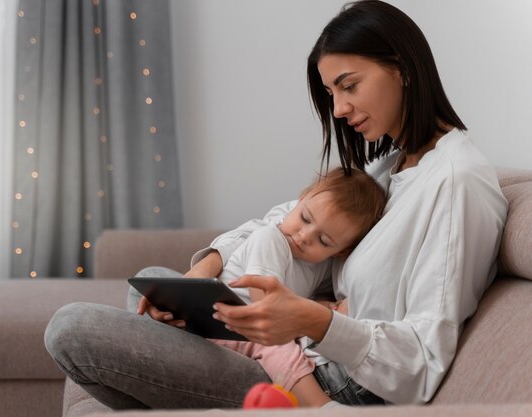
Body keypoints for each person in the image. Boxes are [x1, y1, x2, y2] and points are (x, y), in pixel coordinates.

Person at [44, 0, 508, 409]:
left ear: (403, 67)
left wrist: (316, 320)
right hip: (303, 345)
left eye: (349, 85)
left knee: (72, 329)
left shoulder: (456, 184)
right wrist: (205, 268)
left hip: (332, 385)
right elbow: (279, 222)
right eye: (332, 94)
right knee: (157, 289)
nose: (340, 110)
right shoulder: (388, 169)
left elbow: (424, 362)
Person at [172, 167, 385, 407]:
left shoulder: (320, 265)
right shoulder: (270, 239)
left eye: (323, 241)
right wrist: (320, 311)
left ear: (341, 252)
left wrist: (333, 307)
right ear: (301, 198)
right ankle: (321, 407)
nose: (305, 236)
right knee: (277, 346)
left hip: (242, 327)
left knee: (279, 341)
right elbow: (267, 311)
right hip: (222, 320)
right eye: (305, 218)